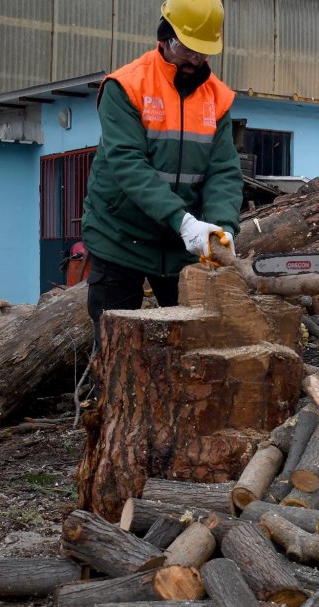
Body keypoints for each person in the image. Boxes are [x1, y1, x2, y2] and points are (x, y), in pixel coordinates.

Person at [81, 0, 243, 350]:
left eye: (202, 51)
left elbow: (223, 170)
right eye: (186, 49)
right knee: (115, 347)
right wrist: (181, 220)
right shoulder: (126, 86)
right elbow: (128, 163)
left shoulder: (218, 98)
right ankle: (103, 402)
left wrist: (221, 226)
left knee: (194, 346)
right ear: (165, 37)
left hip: (180, 245)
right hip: (120, 235)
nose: (195, 60)